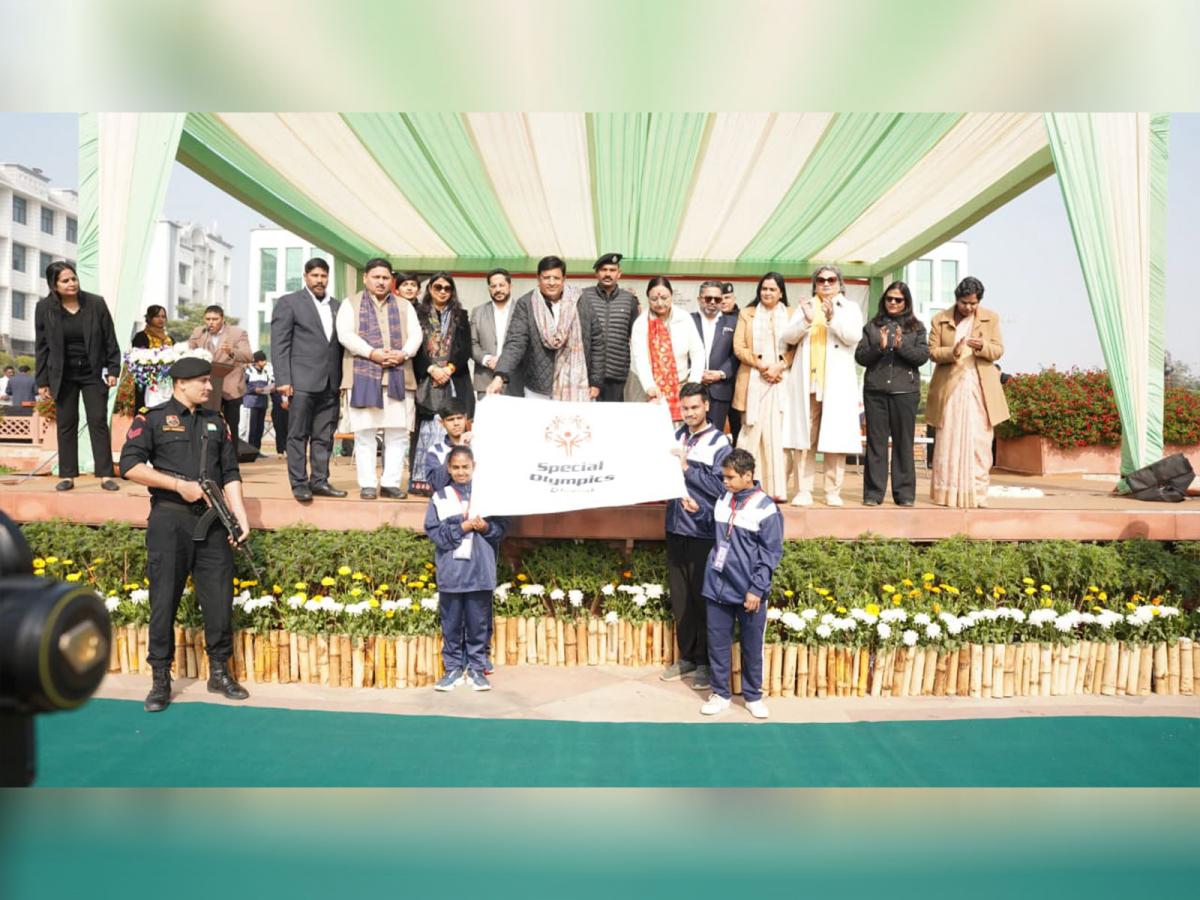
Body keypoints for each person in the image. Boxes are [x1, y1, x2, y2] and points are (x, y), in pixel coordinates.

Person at [118, 355, 251, 713]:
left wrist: (239, 516)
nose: (209, 386)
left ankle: (219, 672)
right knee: (164, 601)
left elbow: (230, 472)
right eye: (202, 381)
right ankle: (161, 678)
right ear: (181, 384)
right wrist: (179, 486)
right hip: (170, 520)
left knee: (219, 599)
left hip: (213, 522)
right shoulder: (152, 419)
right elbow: (129, 465)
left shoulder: (216, 421)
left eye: (209, 380)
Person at [700, 447, 783, 720]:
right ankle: (720, 694)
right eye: (724, 477)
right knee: (717, 643)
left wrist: (757, 588)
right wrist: (698, 512)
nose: (725, 482)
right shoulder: (724, 498)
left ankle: (753, 696)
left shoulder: (766, 507)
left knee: (751, 646)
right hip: (717, 585)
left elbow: (771, 553)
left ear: (748, 475)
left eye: (730, 477)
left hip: (749, 591)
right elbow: (712, 529)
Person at [661, 383, 732, 692]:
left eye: (694, 407)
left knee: (703, 599)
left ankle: (705, 662)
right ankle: (687, 657)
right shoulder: (675, 436)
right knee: (681, 599)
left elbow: (721, 486)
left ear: (706, 406)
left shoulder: (719, 442)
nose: (689, 413)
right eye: (685, 408)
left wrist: (686, 467)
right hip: (676, 526)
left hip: (703, 530)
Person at [424, 446, 509, 692]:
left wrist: (485, 528)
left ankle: (476, 669)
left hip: (480, 571)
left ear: (474, 467)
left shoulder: (488, 497)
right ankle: (452, 669)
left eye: (465, 467)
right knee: (451, 624)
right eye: (456, 468)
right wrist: (464, 527)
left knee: (478, 624)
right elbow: (435, 532)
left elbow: (502, 530)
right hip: (452, 572)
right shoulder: (440, 497)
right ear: (449, 469)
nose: (461, 472)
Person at [335, 258, 422, 501]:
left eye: (385, 278)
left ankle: (390, 483)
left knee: (398, 434)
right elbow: (345, 335)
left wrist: (403, 353)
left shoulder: (405, 305)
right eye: (376, 277)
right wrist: (371, 353)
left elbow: (416, 335)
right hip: (362, 376)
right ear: (365, 278)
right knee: (365, 434)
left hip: (398, 375)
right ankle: (368, 484)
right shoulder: (350, 304)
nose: (381, 282)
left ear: (391, 280)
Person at [780, 264, 864, 507]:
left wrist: (832, 318)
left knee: (835, 439)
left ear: (840, 283)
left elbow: (853, 337)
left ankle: (832, 491)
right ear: (815, 284)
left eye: (831, 279)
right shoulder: (806, 306)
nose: (826, 284)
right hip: (808, 382)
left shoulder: (850, 308)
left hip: (835, 384)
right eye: (821, 280)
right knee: (804, 439)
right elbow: (787, 337)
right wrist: (806, 321)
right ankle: (803, 490)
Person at [34, 261, 122, 492]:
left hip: (93, 372)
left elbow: (110, 339)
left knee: (97, 421)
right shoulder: (44, 308)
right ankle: (67, 475)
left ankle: (105, 474)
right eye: (65, 281)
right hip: (62, 374)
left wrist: (113, 369)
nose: (72, 283)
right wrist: (42, 381)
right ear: (54, 285)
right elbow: (41, 347)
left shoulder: (96, 303)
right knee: (66, 423)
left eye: (74, 278)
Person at [927, 276, 1009, 508]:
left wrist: (982, 346)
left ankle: (978, 493)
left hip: (980, 387)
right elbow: (932, 352)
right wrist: (952, 352)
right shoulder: (940, 319)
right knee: (949, 439)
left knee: (980, 441)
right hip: (950, 388)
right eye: (964, 303)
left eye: (973, 303)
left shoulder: (990, 318)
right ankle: (947, 493)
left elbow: (998, 350)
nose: (969, 308)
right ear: (957, 299)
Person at [271, 258, 345, 502]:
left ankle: (320, 481)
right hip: (300, 381)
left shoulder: (338, 306)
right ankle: (299, 483)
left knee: (324, 435)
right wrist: (283, 379)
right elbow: (279, 344)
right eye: (315, 275)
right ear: (305, 277)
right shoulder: (289, 302)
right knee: (297, 434)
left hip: (331, 382)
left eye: (323, 276)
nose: (319, 280)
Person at [487, 255, 603, 401]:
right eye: (546, 278)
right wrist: (499, 376)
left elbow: (597, 341)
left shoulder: (581, 300)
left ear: (564, 278)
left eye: (556, 278)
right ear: (538, 278)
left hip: (577, 385)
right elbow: (515, 343)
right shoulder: (527, 304)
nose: (552, 283)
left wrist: (596, 381)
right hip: (538, 387)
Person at [854, 281, 929, 506]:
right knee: (876, 444)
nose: (893, 303)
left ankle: (904, 494)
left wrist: (900, 346)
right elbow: (860, 357)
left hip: (905, 392)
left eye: (898, 299)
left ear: (906, 302)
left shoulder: (916, 327)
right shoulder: (872, 326)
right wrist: (880, 347)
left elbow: (922, 357)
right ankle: (873, 494)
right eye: (889, 299)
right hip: (875, 391)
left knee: (903, 443)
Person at [731, 273, 794, 500]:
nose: (767, 292)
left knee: (777, 436)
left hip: (781, 381)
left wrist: (779, 365)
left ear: (781, 293)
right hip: (753, 380)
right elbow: (739, 347)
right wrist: (762, 365)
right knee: (751, 434)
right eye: (764, 288)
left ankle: (776, 489)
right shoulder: (747, 313)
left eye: (772, 289)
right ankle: (745, 486)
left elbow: (796, 347)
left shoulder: (791, 314)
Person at [411, 271, 473, 491]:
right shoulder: (417, 314)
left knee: (455, 425)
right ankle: (423, 481)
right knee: (427, 428)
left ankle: (457, 479)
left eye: (447, 288)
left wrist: (448, 368)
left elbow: (465, 347)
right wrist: (431, 369)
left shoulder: (460, 315)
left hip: (455, 378)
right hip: (426, 380)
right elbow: (414, 347)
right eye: (438, 287)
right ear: (430, 289)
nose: (443, 292)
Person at [629, 276, 704, 425]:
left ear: (671, 296)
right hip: (649, 389)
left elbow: (698, 352)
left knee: (681, 431)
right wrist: (649, 387)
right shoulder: (641, 323)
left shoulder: (684, 318)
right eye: (654, 299)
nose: (660, 303)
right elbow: (640, 359)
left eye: (664, 298)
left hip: (681, 386)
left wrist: (693, 384)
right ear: (647, 298)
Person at [187, 305, 253, 443]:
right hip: (207, 386)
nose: (211, 322)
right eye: (208, 319)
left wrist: (232, 351)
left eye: (215, 319)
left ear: (222, 319)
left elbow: (248, 356)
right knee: (206, 425)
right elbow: (188, 350)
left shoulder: (237, 333)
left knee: (231, 426)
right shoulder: (199, 332)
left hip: (230, 387)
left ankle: (232, 454)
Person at [580, 252, 639, 402]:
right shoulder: (583, 297)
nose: (608, 274)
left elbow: (635, 336)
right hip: (587, 373)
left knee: (613, 414)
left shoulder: (629, 300)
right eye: (603, 270)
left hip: (616, 374)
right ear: (596, 273)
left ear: (619, 274)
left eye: (612, 270)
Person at [691, 280, 739, 432]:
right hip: (692, 388)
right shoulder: (688, 320)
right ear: (699, 299)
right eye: (708, 298)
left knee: (714, 435)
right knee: (690, 435)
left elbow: (737, 354)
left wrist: (721, 373)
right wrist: (696, 373)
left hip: (720, 389)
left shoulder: (734, 323)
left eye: (717, 299)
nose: (712, 302)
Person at [470, 267, 523, 399]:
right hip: (485, 380)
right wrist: (487, 359)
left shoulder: (522, 310)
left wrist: (505, 361)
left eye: (501, 285)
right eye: (493, 286)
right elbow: (471, 343)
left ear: (510, 286)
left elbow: (527, 343)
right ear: (489, 288)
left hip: (515, 380)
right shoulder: (478, 311)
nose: (498, 289)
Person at [130, 304, 173, 410]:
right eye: (157, 316)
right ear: (149, 318)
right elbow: (138, 358)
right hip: (146, 381)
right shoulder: (141, 336)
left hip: (166, 383)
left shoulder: (169, 339)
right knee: (144, 409)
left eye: (163, 317)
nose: (161, 319)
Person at [423, 402, 470, 495]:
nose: (456, 423)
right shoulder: (435, 451)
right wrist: (458, 450)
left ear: (465, 418)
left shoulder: (477, 445)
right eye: (450, 419)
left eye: (459, 418)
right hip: (448, 501)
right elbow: (437, 485)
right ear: (442, 423)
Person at [242, 351, 273, 452]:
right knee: (251, 429)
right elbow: (242, 386)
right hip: (251, 404)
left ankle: (257, 450)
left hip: (262, 404)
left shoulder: (266, 373)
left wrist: (270, 388)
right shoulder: (249, 372)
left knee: (260, 429)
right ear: (257, 361)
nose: (265, 362)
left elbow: (269, 385)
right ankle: (250, 450)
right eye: (262, 360)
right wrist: (254, 390)